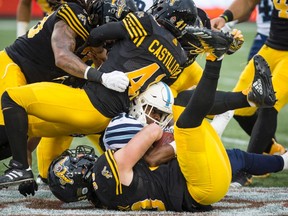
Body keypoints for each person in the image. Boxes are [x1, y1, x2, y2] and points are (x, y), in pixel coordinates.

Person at [47, 45, 286, 212]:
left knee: (233, 154)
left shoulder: (104, 195)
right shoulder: (105, 170)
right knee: (183, 106)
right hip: (199, 187)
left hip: (197, 192)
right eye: (76, 159)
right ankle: (217, 61)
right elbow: (152, 136)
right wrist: (154, 132)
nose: (79, 155)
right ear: (76, 173)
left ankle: (282, 158)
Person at [0, 0, 198, 190]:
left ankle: (21, 168)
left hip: (90, 104)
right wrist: (101, 69)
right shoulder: (178, 58)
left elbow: (99, 41)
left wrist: (100, 68)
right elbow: (65, 56)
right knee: (17, 129)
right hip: (108, 116)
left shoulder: (140, 28)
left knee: (13, 102)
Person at [210, 0, 288, 186]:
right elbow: (248, 2)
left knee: (269, 103)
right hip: (272, 46)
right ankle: (271, 149)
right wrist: (224, 17)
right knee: (241, 104)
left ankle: (246, 171)